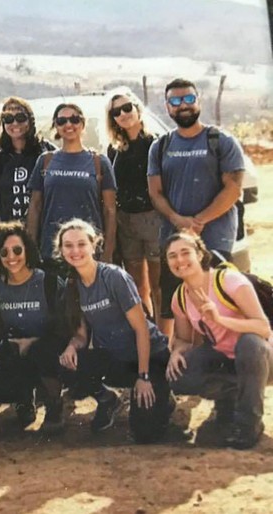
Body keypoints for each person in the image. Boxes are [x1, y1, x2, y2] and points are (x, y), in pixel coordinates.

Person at [56, 219, 173, 443]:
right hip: (115, 359)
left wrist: (144, 376)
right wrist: (71, 347)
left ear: (94, 245)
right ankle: (108, 399)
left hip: (149, 357)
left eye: (81, 244)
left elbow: (142, 330)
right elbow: (82, 334)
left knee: (146, 434)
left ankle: (163, 395)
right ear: (61, 250)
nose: (75, 251)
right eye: (68, 245)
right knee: (65, 364)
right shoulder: (73, 284)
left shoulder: (114, 278)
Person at [148, 78, 246, 336]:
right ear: (167, 107)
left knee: (217, 302)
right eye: (176, 101)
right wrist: (177, 219)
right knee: (171, 303)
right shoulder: (160, 146)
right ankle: (169, 361)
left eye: (189, 99)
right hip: (174, 240)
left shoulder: (221, 141)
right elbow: (155, 192)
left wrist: (198, 221)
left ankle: (217, 359)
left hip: (214, 239)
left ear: (198, 101)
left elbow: (233, 188)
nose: (184, 106)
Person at [164, 232, 272, 449]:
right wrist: (176, 351)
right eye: (172, 256)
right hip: (227, 358)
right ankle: (231, 398)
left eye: (186, 253)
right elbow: (185, 339)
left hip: (262, 358)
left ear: (200, 254)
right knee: (180, 375)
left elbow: (262, 327)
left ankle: (248, 425)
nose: (179, 260)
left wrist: (219, 318)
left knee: (249, 343)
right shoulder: (180, 297)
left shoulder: (229, 281)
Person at [0, 222, 66, 431]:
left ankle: (54, 404)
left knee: (43, 353)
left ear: (27, 250)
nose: (11, 257)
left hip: (48, 348)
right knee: (0, 382)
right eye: (4, 252)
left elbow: (64, 329)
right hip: (16, 349)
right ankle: (24, 399)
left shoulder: (49, 282)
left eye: (17, 250)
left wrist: (34, 342)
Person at [26, 103, 117, 271]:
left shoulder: (99, 162)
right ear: (55, 125)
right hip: (51, 251)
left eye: (74, 119)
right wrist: (31, 248)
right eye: (62, 121)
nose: (68, 125)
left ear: (83, 124)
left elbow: (110, 211)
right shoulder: (45, 161)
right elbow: (35, 206)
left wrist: (108, 253)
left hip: (89, 250)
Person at [106, 90, 162, 321]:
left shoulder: (157, 143)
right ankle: (147, 337)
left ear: (138, 108)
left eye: (127, 107)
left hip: (153, 219)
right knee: (138, 287)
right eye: (116, 111)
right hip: (126, 222)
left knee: (159, 286)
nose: (123, 114)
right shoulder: (114, 149)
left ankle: (165, 340)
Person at [0, 97, 56, 225]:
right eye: (8, 119)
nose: (15, 124)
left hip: (42, 231)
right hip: (9, 233)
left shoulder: (46, 152)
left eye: (21, 118)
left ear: (30, 121)